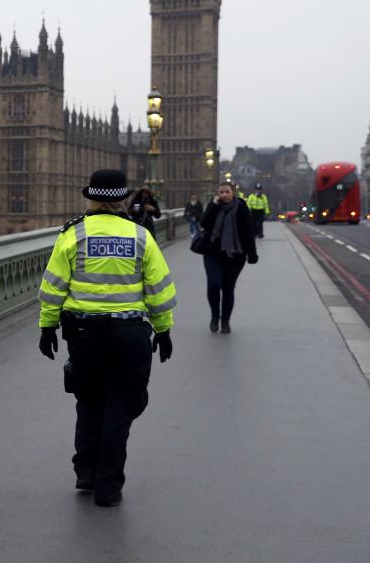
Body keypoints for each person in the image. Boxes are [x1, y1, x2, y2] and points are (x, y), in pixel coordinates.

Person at [36, 169, 177, 507]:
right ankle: (108, 484)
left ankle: (85, 470)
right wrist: (163, 330)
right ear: (123, 199)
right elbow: (158, 291)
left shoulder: (72, 234)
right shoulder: (141, 236)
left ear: (90, 198)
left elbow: (53, 288)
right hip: (129, 334)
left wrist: (47, 327)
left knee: (88, 400)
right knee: (121, 405)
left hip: (84, 334)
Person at [199, 181, 258, 333]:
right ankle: (214, 315)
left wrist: (252, 254)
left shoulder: (242, 208)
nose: (224, 195)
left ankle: (225, 321)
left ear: (233, 193)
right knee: (213, 285)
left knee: (228, 288)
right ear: (217, 194)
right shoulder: (213, 206)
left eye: (227, 192)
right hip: (212, 253)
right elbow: (204, 223)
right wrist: (213, 206)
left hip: (235, 256)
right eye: (221, 192)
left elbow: (248, 232)